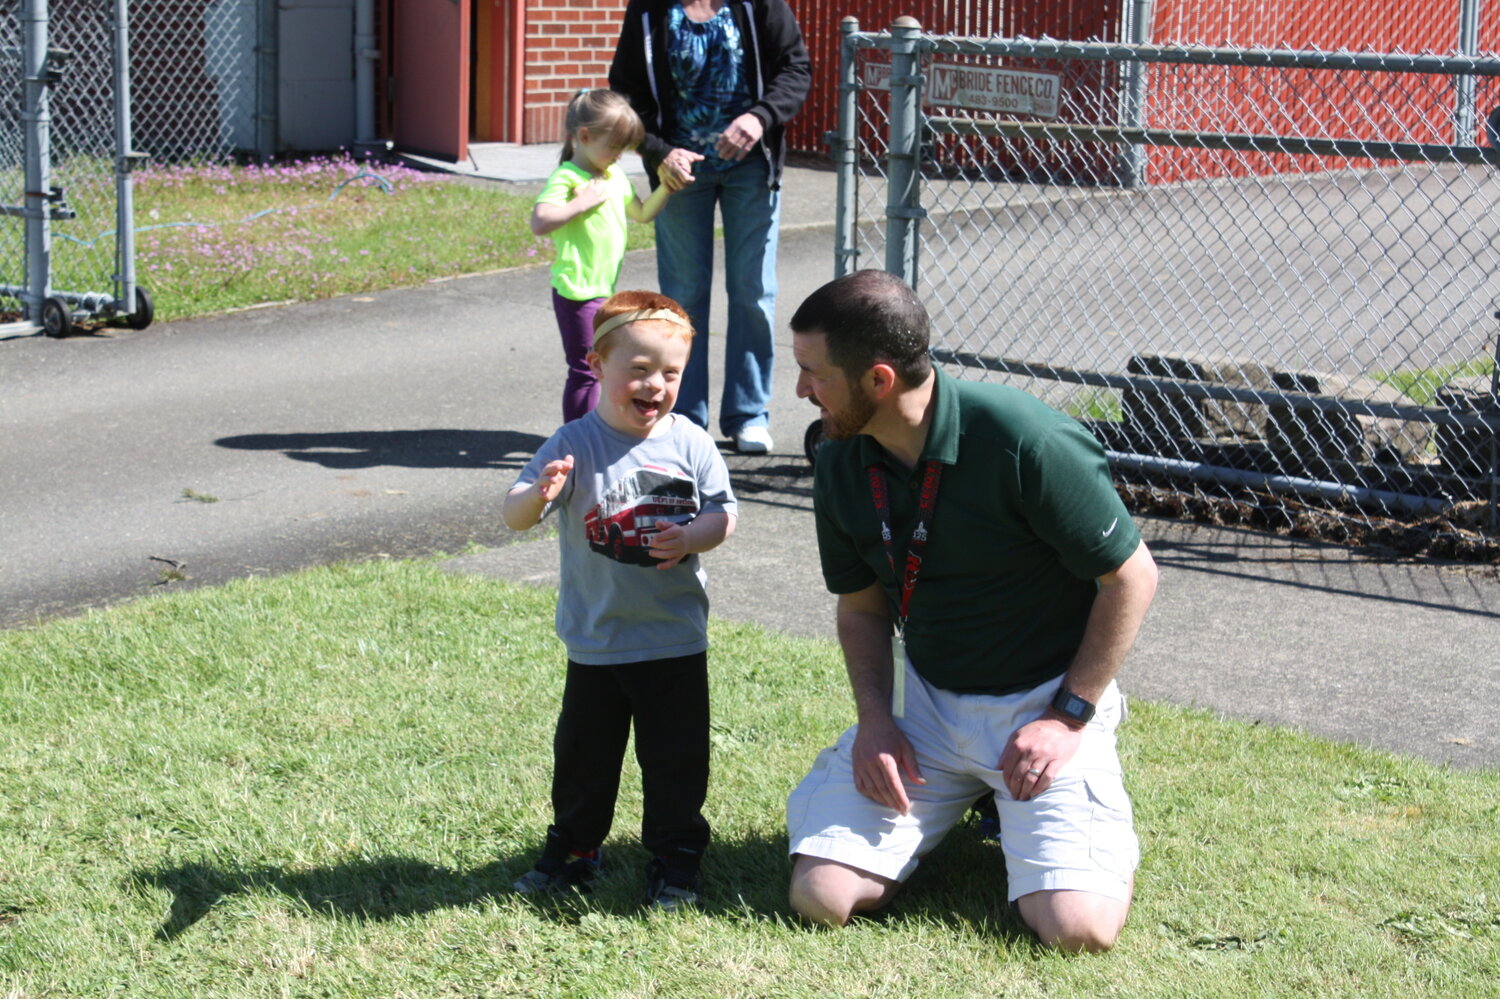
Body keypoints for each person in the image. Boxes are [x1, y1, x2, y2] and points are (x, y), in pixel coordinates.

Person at [783, 271, 1159, 951]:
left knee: (1078, 930)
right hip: (926, 705)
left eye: (813, 372)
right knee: (822, 896)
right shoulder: (840, 458)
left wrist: (1068, 715)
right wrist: (876, 721)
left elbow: (1132, 578)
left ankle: (1040, 806)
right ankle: (976, 801)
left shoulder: (1024, 440)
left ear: (878, 379)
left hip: (1042, 705)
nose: (802, 390)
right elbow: (863, 607)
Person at [503, 290, 737, 910]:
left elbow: (724, 515)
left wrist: (693, 535)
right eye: (638, 369)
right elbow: (514, 513)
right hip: (598, 637)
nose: (655, 384)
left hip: (673, 638)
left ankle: (676, 856)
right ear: (597, 365)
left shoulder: (690, 442)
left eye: (670, 373)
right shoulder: (574, 441)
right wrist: (541, 492)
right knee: (584, 758)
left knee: (675, 761)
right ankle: (575, 848)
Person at [609, 0, 810, 454]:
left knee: (753, 291)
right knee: (683, 296)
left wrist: (759, 117)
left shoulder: (757, 5)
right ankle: (683, 416)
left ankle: (749, 415)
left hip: (751, 170)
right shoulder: (650, 9)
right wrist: (660, 151)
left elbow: (794, 69)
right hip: (680, 172)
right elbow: (626, 93)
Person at [531, 90, 674, 423]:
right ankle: (577, 441)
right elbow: (540, 222)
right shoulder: (568, 177)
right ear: (583, 136)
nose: (617, 156)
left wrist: (665, 187)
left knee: (600, 368)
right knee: (585, 369)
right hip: (576, 292)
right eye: (613, 147)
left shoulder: (613, 176)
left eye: (623, 150)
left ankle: (593, 431)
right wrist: (579, 204)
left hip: (601, 290)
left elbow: (641, 213)